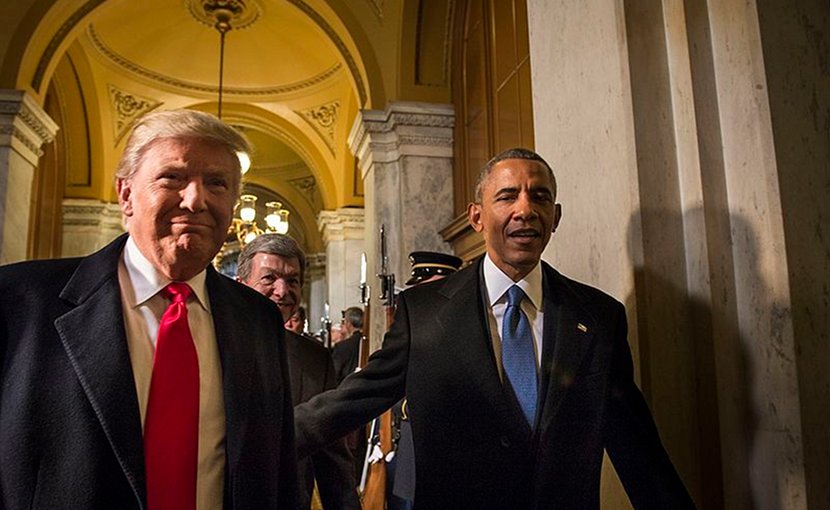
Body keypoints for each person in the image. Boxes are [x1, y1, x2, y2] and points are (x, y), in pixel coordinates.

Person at [294, 147, 696, 509]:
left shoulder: (597, 317)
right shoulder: (424, 313)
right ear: (476, 217)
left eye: (539, 197)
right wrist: (259, 435)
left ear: (555, 217)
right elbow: (352, 401)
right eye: (507, 196)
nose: (525, 209)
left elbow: (637, 448)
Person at [0, 109, 297, 509]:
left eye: (217, 183)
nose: (196, 199)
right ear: (125, 194)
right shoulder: (20, 302)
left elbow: (276, 470)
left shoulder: (258, 319)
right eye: (172, 178)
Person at [236, 233, 360, 510]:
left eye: (292, 281)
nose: (282, 290)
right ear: (241, 286)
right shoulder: (211, 344)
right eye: (269, 278)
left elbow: (333, 461)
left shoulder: (315, 358)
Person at [388, 251, 463, 510]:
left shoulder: (463, 325)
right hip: (412, 434)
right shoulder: (414, 319)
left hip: (452, 447)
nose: (419, 293)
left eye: (424, 284)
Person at [331, 306, 363, 384]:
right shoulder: (369, 341)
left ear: (348, 324)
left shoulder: (342, 347)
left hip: (346, 387)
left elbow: (334, 373)